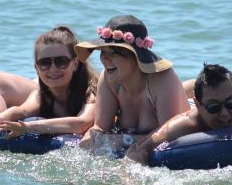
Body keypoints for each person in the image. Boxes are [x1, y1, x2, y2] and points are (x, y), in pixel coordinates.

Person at [0, 27, 97, 146]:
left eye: (61, 61)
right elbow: (20, 110)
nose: (53, 69)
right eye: (44, 63)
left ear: (75, 63)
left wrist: (27, 127)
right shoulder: (41, 96)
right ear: (36, 68)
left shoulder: (91, 90)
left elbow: (83, 124)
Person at [75, 15, 189, 152]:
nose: (105, 58)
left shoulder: (163, 79)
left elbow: (169, 135)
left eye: (113, 53)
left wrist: (123, 140)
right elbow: (100, 127)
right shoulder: (108, 78)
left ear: (136, 56)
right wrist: (86, 144)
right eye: (103, 52)